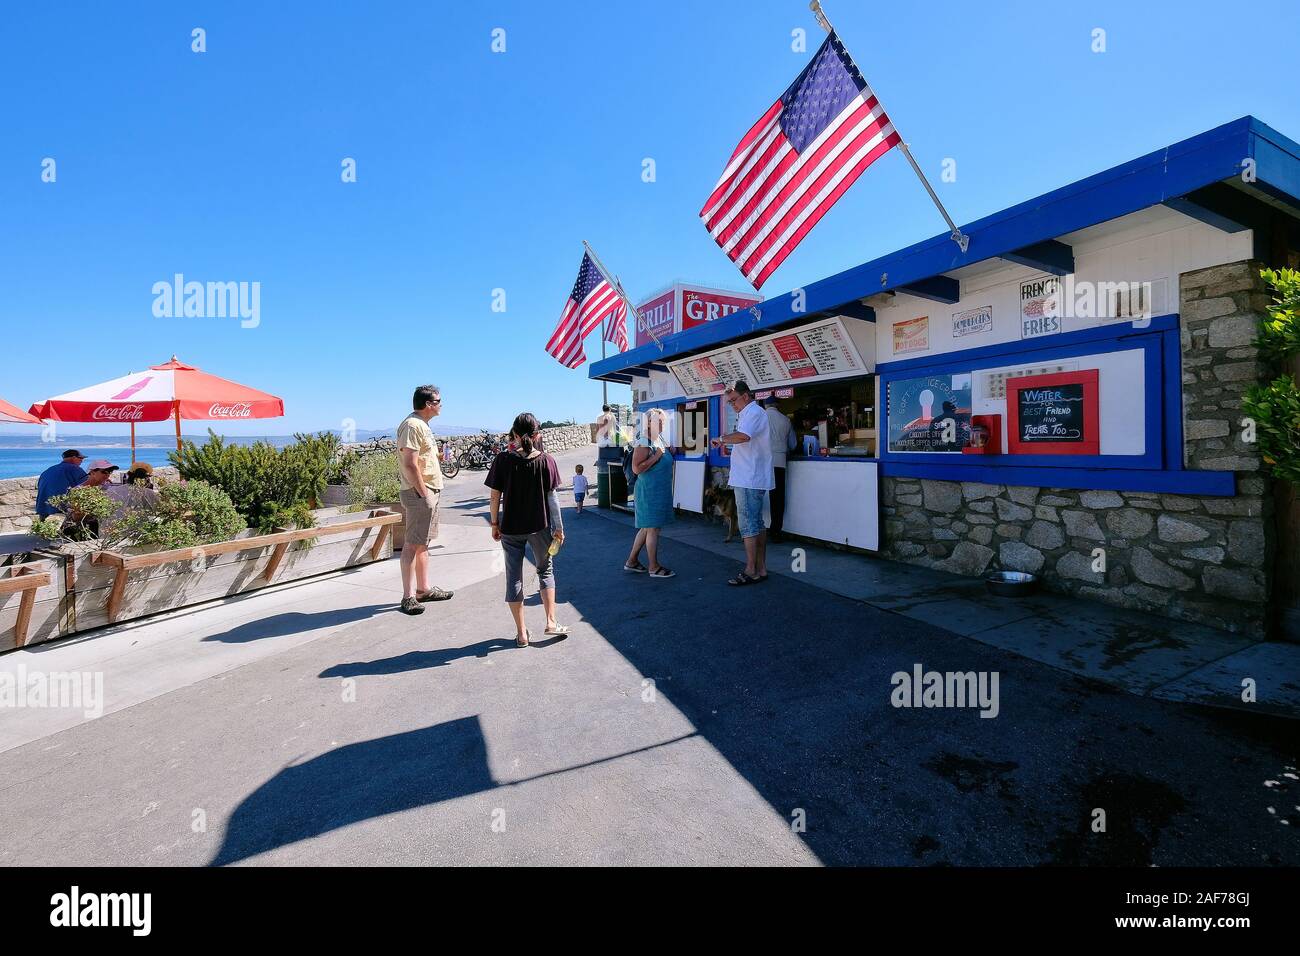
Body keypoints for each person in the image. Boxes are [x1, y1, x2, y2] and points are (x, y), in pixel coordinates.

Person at [485, 412, 567, 647]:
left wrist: (494, 523)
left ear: (515, 435)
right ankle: (551, 622)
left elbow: (494, 496)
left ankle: (522, 634)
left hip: (510, 528)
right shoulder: (547, 461)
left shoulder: (503, 460)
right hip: (539, 527)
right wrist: (559, 528)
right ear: (537, 435)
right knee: (545, 570)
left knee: (514, 578)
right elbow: (553, 499)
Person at [396, 385, 454, 616]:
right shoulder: (412, 425)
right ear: (428, 404)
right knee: (412, 543)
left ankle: (423, 589)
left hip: (429, 490)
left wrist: (439, 456)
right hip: (420, 492)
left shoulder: (422, 425)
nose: (441, 404)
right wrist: (423, 493)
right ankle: (408, 597)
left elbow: (421, 458)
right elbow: (409, 463)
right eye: (439, 401)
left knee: (423, 542)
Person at [710, 381, 772, 585]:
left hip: (749, 477)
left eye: (734, 400)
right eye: (729, 402)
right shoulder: (750, 413)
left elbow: (743, 436)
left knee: (747, 524)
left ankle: (751, 569)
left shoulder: (753, 412)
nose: (732, 404)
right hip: (751, 476)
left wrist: (721, 438)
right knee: (757, 523)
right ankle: (761, 568)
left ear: (746, 396)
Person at [623, 407, 675, 578]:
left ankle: (632, 561)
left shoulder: (657, 439)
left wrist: (668, 452)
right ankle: (653, 567)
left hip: (657, 491)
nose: (661, 424)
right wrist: (657, 457)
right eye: (658, 421)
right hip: (649, 493)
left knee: (647, 528)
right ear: (648, 423)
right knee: (652, 529)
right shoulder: (644, 441)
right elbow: (636, 469)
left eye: (663, 421)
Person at [762, 397, 797, 542]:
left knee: (757, 495)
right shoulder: (785, 420)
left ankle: (755, 529)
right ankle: (775, 532)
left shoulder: (760, 417)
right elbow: (793, 444)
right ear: (778, 406)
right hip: (779, 462)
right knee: (778, 498)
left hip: (761, 462)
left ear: (765, 406)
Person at [102, 461, 160, 529]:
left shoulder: (111, 491)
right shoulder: (148, 493)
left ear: (129, 475)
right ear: (147, 478)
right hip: (135, 535)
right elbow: (159, 511)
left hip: (108, 533)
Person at [35, 450, 87, 518]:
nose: (82, 461)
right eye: (80, 458)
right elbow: (87, 486)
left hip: (43, 509)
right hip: (60, 510)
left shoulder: (49, 470)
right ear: (74, 457)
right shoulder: (75, 469)